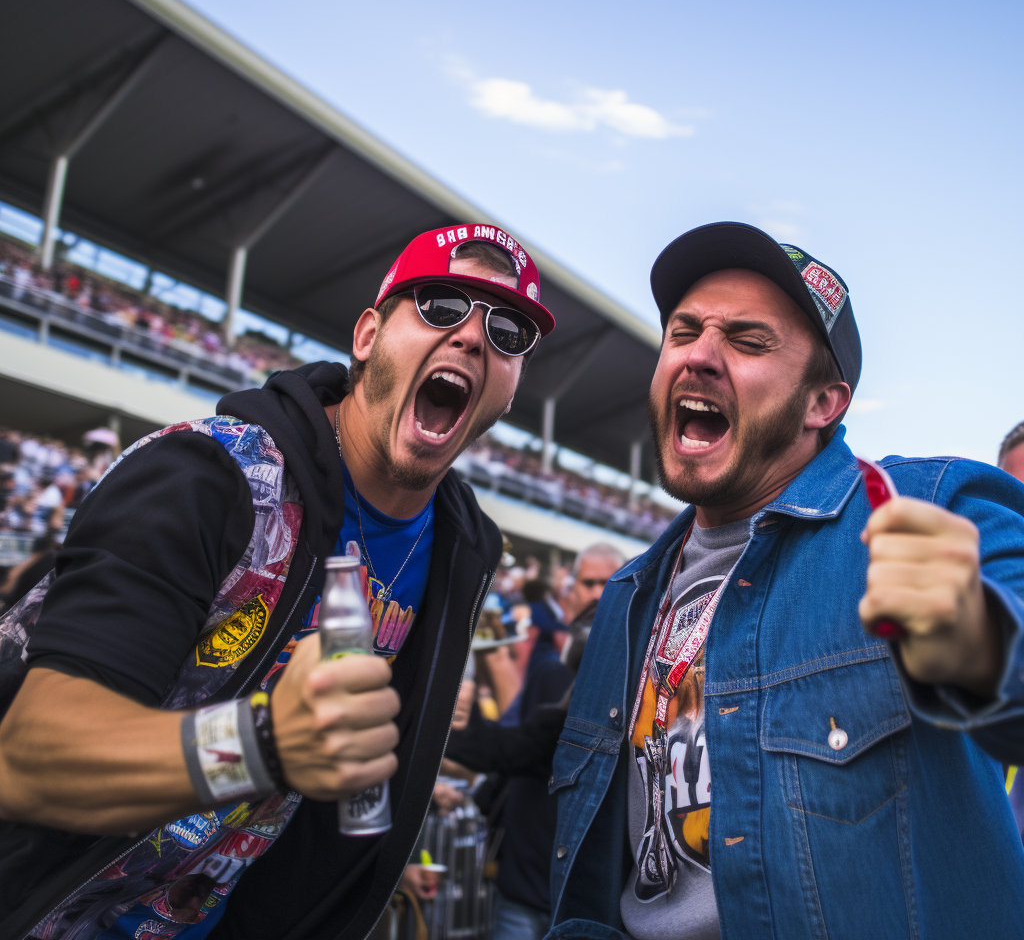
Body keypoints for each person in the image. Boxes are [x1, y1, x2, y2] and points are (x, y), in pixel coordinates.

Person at [0, 222, 555, 940]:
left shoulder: (462, 550)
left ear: (510, 390)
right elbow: (31, 757)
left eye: (510, 332)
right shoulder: (206, 475)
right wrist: (262, 743)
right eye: (442, 307)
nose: (475, 338)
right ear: (366, 336)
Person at [548, 221, 1024, 940]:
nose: (700, 356)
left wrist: (980, 639)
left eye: (747, 340)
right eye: (683, 331)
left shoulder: (924, 509)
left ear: (822, 403)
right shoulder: (625, 600)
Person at [448, 543, 624, 940]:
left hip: (576, 886)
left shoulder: (622, 672)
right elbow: (518, 747)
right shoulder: (551, 664)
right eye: (588, 583)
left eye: (606, 583)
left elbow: (518, 747)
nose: (597, 593)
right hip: (528, 875)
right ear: (569, 591)